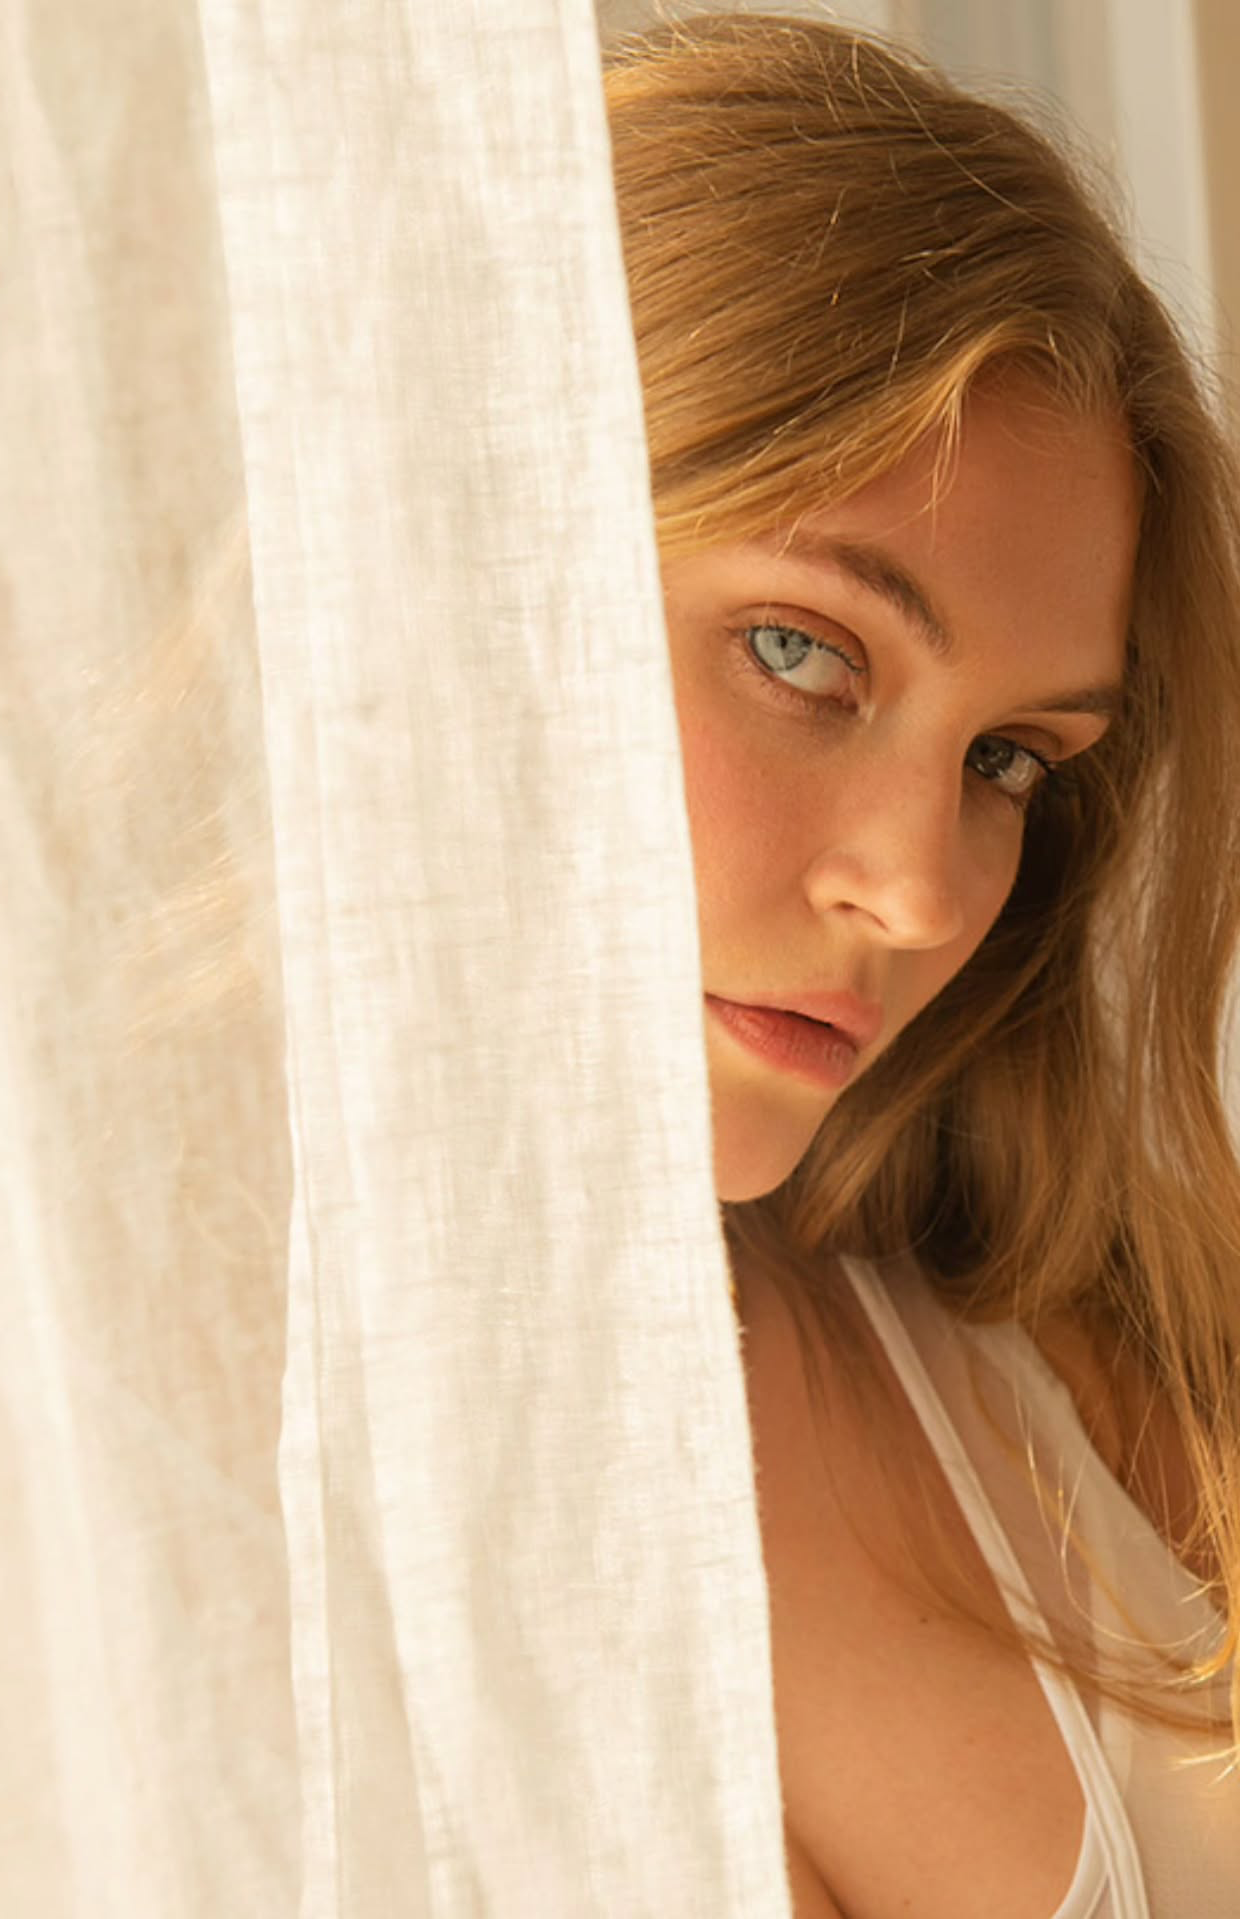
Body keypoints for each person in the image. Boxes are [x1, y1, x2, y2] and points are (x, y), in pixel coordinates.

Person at [603, 12, 1240, 1917]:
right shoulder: (50, 1423)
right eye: (805, 652)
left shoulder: (1095, 1350)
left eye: (1010, 760)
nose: (926, 892)